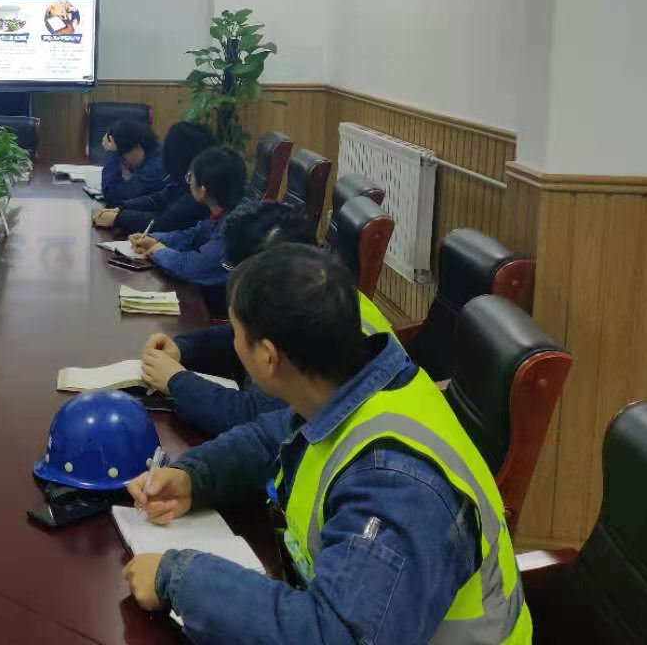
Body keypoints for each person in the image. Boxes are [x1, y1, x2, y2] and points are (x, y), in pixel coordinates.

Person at [123, 245, 530, 643]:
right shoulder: (350, 385)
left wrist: (180, 578)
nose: (232, 344)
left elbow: (338, 634)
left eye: (236, 334)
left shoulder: (395, 486)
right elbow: (270, 438)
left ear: (267, 357)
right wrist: (194, 478)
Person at [138, 202, 314, 436]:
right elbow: (238, 336)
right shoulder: (299, 294)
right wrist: (182, 349)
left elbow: (253, 419)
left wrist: (177, 382)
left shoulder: (306, 332)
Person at [130, 146, 248, 313]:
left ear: (202, 191)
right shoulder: (229, 211)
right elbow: (193, 235)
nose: (189, 180)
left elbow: (193, 267)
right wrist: (154, 239)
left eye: (191, 176)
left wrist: (158, 251)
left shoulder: (236, 228)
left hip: (227, 308)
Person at [94, 122, 214, 234]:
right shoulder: (189, 177)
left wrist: (119, 218)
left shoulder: (201, 189)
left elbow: (165, 223)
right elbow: (160, 199)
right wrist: (121, 208)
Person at [100, 119, 167, 206]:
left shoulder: (155, 168)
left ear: (137, 147)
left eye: (123, 159)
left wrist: (111, 153)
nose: (123, 165)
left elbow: (113, 197)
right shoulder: (156, 152)